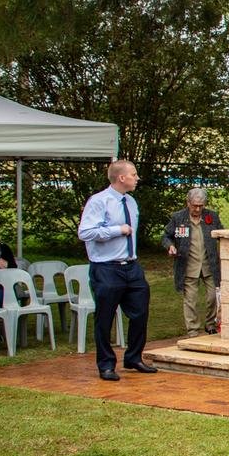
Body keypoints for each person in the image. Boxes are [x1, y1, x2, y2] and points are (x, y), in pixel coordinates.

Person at [78, 160, 157, 381]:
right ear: (121, 178)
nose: (137, 177)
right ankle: (106, 364)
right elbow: (85, 232)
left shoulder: (131, 202)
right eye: (133, 174)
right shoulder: (99, 201)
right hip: (106, 268)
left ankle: (133, 357)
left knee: (140, 312)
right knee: (105, 318)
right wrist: (116, 230)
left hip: (131, 266)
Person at [162, 188, 224, 337]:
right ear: (188, 202)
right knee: (191, 300)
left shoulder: (212, 217)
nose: (197, 209)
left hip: (210, 265)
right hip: (188, 265)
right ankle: (193, 330)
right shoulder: (178, 218)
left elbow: (222, 234)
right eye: (195, 205)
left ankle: (210, 325)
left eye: (201, 206)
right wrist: (170, 246)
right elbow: (166, 236)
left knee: (212, 297)